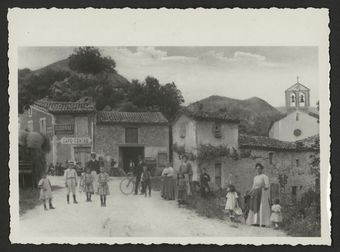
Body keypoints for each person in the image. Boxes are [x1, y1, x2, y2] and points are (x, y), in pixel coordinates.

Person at [246, 163, 271, 227]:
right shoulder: (255, 177)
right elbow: (253, 186)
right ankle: (255, 222)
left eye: (259, 168)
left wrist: (262, 187)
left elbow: (267, 186)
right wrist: (250, 192)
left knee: (261, 207)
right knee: (254, 206)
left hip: (262, 193)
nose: (258, 170)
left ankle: (262, 222)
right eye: (256, 169)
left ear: (262, 169)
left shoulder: (264, 176)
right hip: (255, 193)